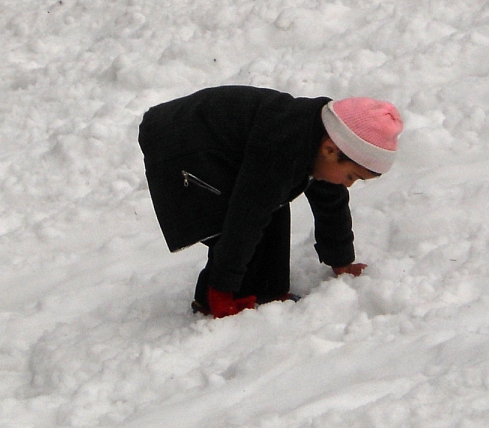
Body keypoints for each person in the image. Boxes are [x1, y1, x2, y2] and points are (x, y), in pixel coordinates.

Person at [137, 85, 403, 318]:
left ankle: (266, 292)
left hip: (224, 143)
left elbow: (331, 202)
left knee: (270, 207)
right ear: (330, 150)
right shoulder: (285, 144)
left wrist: (341, 259)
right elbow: (247, 216)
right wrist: (222, 289)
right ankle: (212, 298)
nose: (348, 184)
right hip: (179, 144)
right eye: (350, 176)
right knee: (237, 219)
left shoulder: (325, 134)